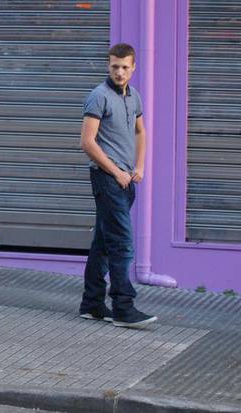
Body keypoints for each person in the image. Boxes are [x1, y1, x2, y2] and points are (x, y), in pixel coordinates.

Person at [78, 43, 157, 328]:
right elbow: (87, 143)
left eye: (125, 67)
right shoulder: (98, 97)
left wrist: (139, 167)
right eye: (114, 66)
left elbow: (140, 131)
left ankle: (92, 304)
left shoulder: (134, 96)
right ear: (108, 66)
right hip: (107, 178)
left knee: (103, 243)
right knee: (122, 244)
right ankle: (123, 307)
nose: (120, 72)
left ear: (133, 67)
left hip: (126, 179)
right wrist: (116, 172)